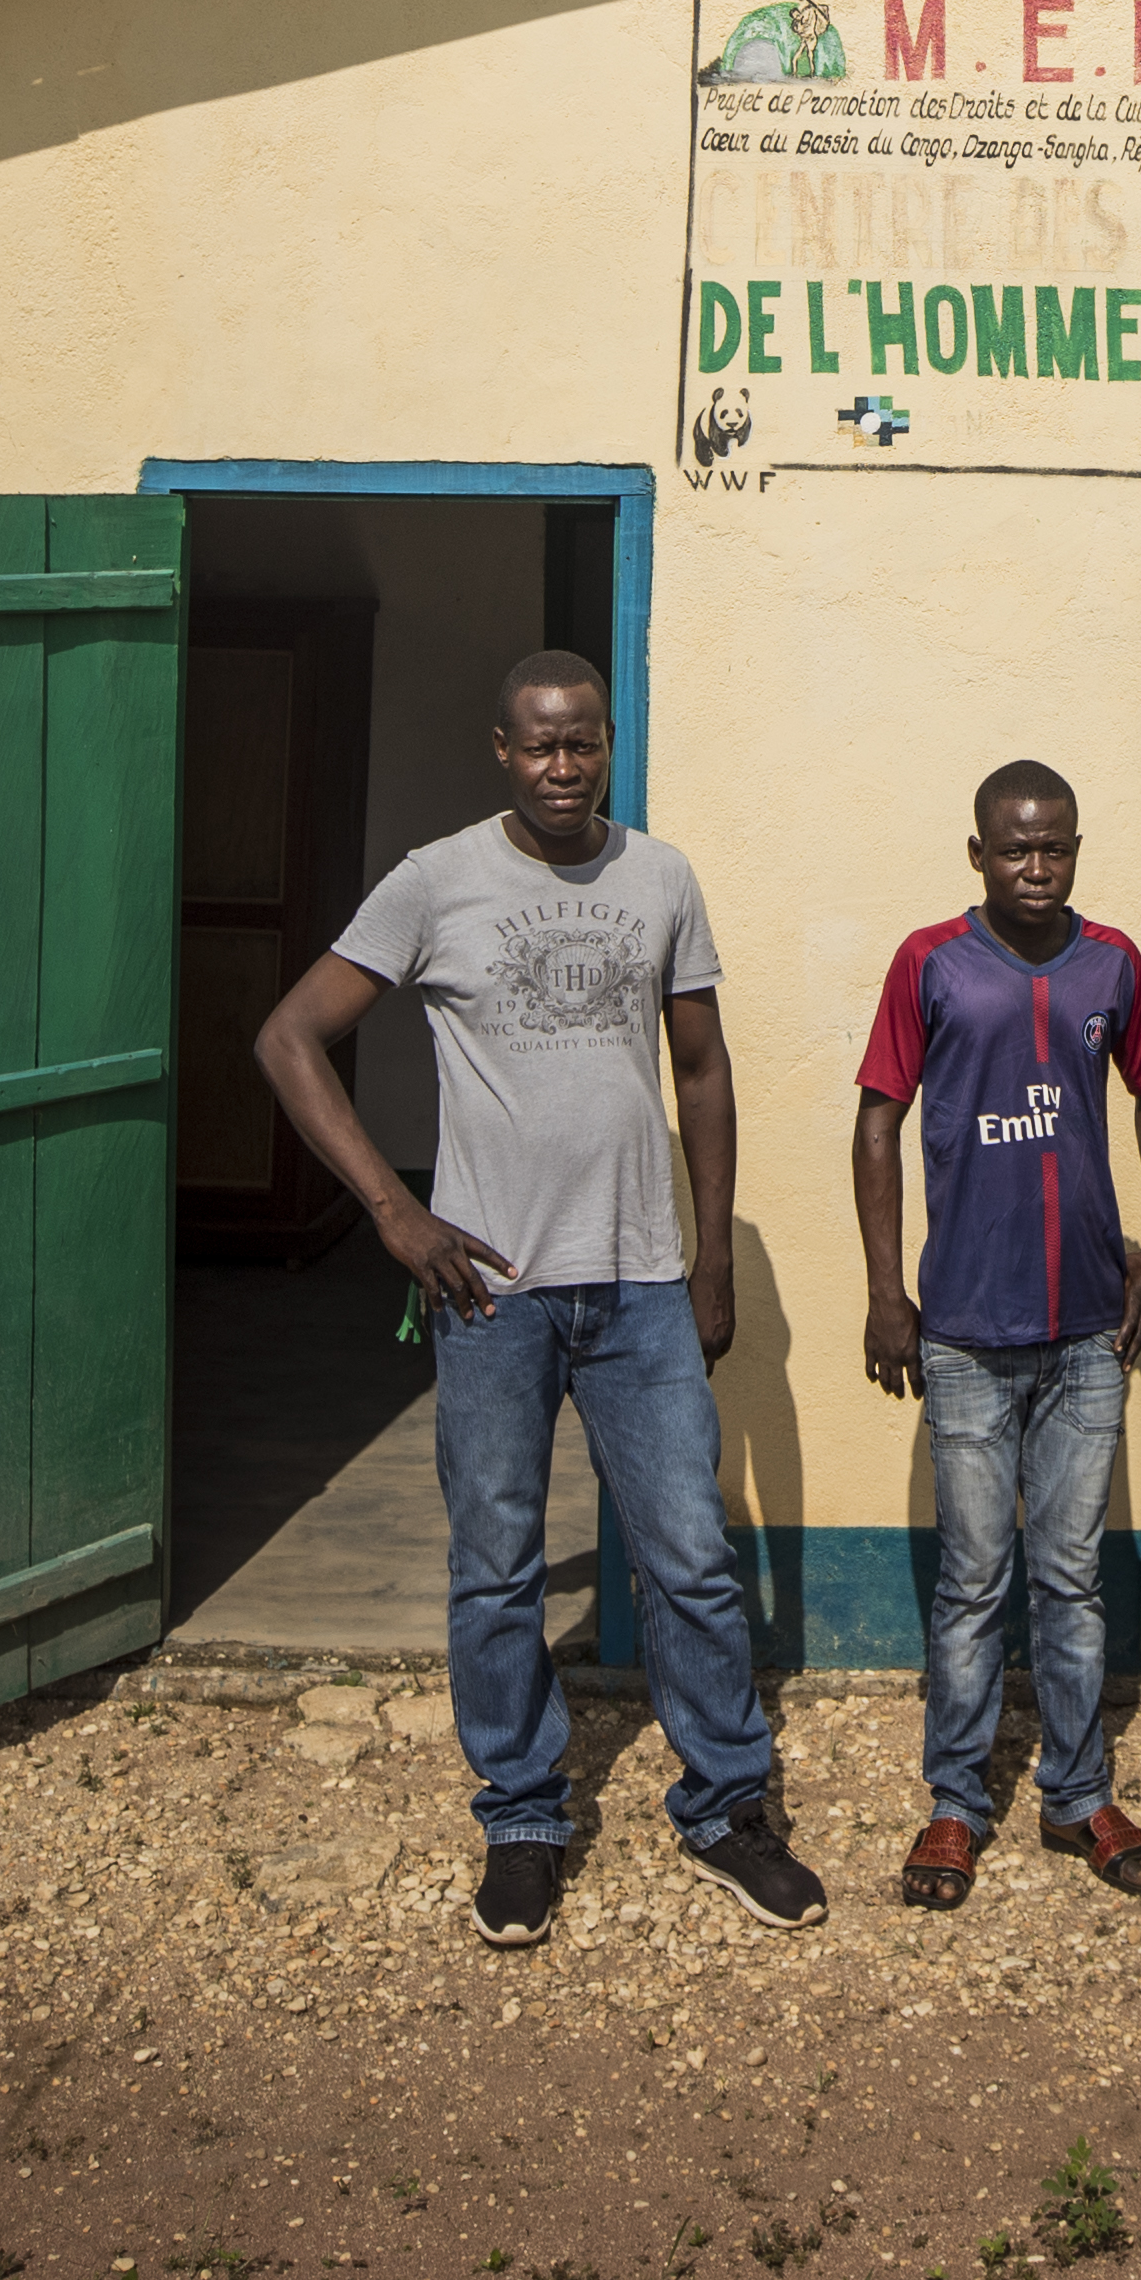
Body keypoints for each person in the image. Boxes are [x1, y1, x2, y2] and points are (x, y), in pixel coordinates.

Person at [253, 650, 825, 1948]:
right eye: (540, 746)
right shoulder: (435, 881)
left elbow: (702, 1066)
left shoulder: (659, 876)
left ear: (606, 745)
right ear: (500, 751)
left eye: (585, 745)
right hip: (491, 1297)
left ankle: (727, 1809)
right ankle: (521, 1818)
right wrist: (393, 1213)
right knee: (497, 1568)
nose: (564, 768)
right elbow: (288, 1037)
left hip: (635, 1286)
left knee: (688, 1557)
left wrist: (709, 1254)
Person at [849, 759, 1141, 1910]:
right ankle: (954, 1802)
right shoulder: (930, 962)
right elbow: (877, 1120)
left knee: (1072, 1576)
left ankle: (1078, 1792)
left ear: (1075, 849)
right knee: (972, 1579)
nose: (1035, 867)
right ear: (978, 854)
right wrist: (885, 1290)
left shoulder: (1112, 962)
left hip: (1090, 1330)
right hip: (962, 1329)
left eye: (1054, 848)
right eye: (1014, 848)